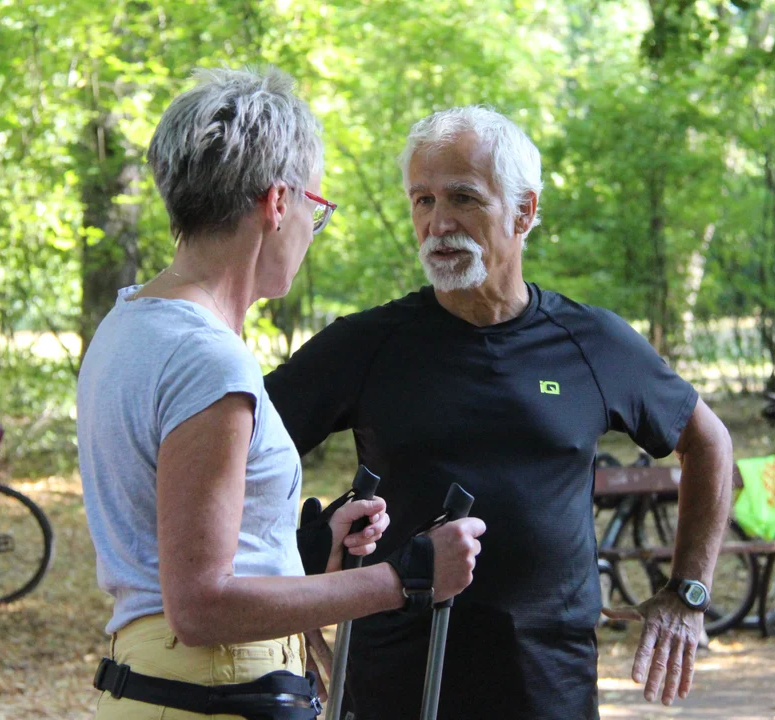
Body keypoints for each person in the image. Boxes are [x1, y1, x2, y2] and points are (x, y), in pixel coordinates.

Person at [264, 106, 734, 719]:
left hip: (547, 684)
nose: (438, 222)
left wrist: (688, 594)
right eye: (423, 200)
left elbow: (709, 442)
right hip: (396, 682)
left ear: (525, 211)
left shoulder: (591, 343)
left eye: (463, 197)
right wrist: (298, 580)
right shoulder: (369, 344)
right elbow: (244, 456)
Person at [76, 69, 486, 720]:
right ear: (276, 204)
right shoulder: (207, 359)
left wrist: (305, 549)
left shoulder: (127, 327)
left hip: (152, 686)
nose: (310, 229)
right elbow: (202, 605)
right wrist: (404, 576)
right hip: (218, 689)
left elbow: (173, 560)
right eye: (315, 209)